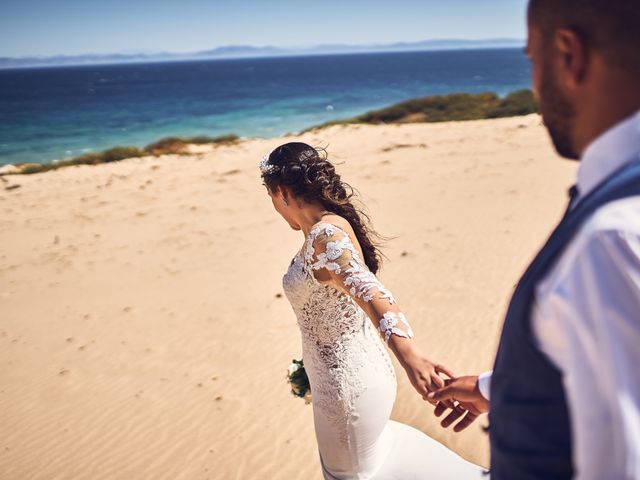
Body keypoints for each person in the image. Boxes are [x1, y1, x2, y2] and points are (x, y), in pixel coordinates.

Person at [429, 1, 640, 479]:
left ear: (569, 54)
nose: (533, 83)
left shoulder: (612, 238)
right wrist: (497, 387)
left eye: (532, 59)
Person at [261, 142, 482, 479]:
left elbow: (370, 291)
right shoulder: (330, 224)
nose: (275, 208)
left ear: (281, 192)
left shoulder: (325, 235)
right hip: (359, 376)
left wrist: (411, 357)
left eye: (272, 199)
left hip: (346, 393)